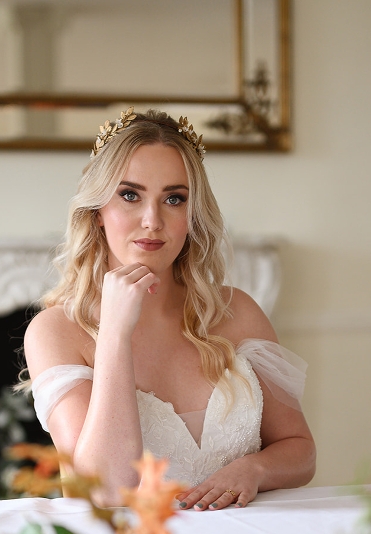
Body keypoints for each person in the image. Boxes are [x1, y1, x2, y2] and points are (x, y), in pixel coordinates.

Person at [24, 108, 316, 509]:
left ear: (191, 216)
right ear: (96, 214)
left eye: (174, 199)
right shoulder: (55, 331)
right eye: (130, 195)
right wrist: (113, 332)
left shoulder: (237, 313)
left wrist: (254, 469)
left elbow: (299, 449)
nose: (152, 220)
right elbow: (105, 490)